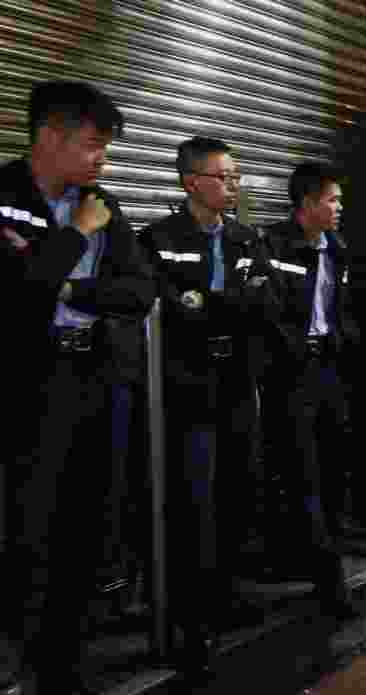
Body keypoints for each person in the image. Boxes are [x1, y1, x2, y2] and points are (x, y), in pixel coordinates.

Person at [1, 81, 155, 695]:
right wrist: (76, 238)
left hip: (95, 378)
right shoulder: (6, 198)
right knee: (25, 527)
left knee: (86, 526)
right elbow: (18, 294)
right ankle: (18, 660)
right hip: (26, 387)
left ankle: (64, 662)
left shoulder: (101, 204)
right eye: (93, 146)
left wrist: (68, 286)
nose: (102, 161)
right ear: (49, 136)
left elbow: (138, 291)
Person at [138, 137, 279, 677]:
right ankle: (188, 619)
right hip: (187, 384)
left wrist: (207, 302)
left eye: (237, 177)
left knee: (239, 490)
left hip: (237, 381)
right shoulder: (158, 239)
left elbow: (266, 302)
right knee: (192, 500)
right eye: (225, 177)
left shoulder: (248, 237)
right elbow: (170, 311)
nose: (234, 185)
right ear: (192, 182)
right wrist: (225, 304)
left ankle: (226, 596)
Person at [260, 162, 360, 619]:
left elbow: (343, 308)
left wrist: (341, 342)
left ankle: (326, 556)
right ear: (307, 203)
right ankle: (326, 576)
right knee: (302, 471)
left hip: (330, 370)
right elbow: (271, 313)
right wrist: (296, 351)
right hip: (291, 375)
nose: (339, 208)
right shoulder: (273, 245)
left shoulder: (337, 248)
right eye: (332, 200)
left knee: (336, 464)